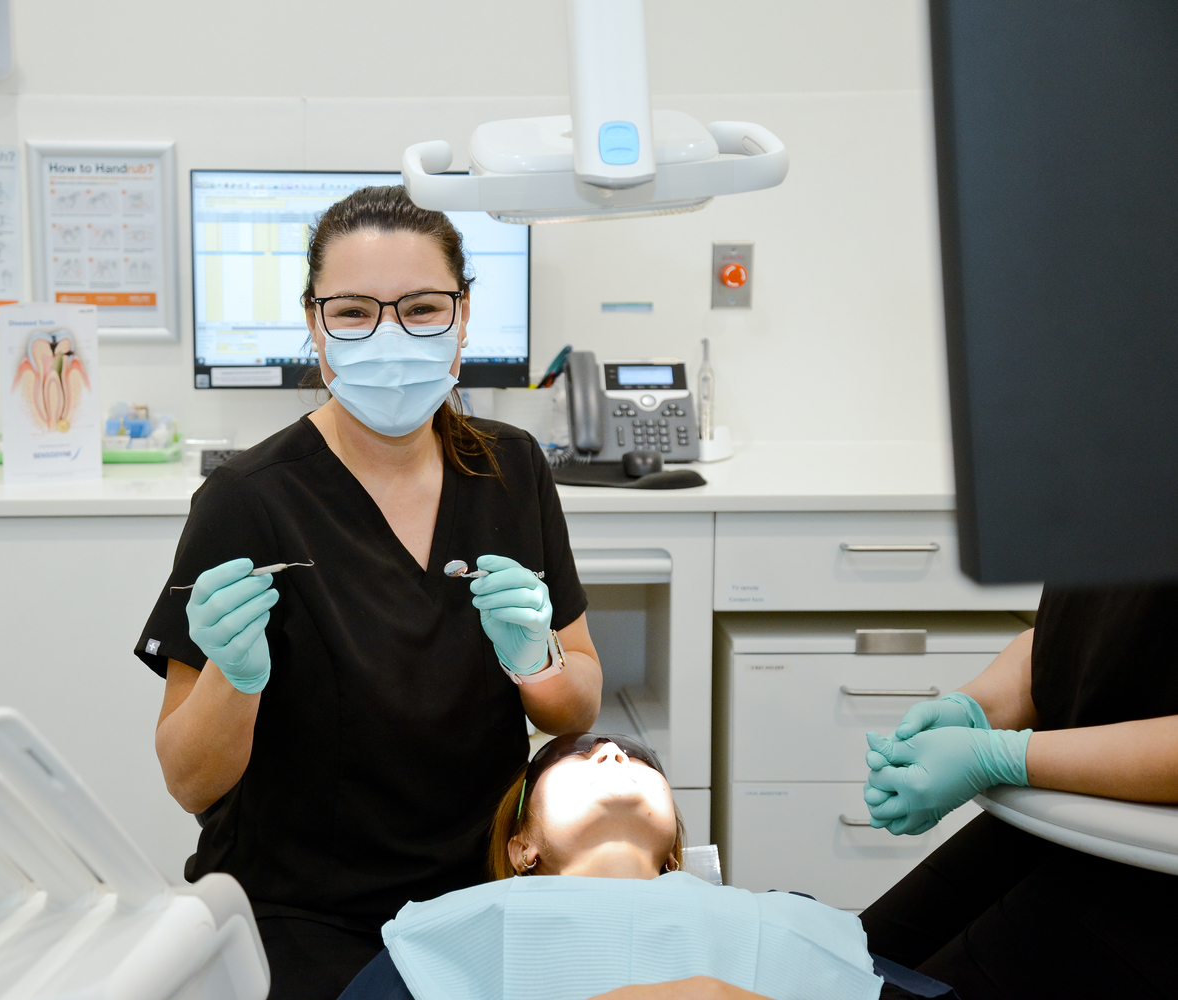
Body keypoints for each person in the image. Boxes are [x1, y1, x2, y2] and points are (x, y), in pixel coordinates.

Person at [134, 185, 603, 1000]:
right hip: (300, 909)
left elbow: (577, 708)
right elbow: (190, 782)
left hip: (481, 888)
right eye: (353, 313)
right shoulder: (249, 499)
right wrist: (233, 680)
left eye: (421, 308)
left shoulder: (510, 467)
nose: (389, 335)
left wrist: (540, 660)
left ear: (461, 321)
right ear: (316, 330)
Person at [339, 733, 949, 1000]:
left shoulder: (779, 915)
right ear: (521, 846)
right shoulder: (448, 933)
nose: (610, 751)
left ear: (675, 856)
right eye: (572, 756)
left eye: (639, 759)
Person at [859, 582, 1178, 999]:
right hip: (1076, 814)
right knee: (840, 966)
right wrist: (975, 709)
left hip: (1155, 873)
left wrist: (1003, 755)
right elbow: (1085, 631)